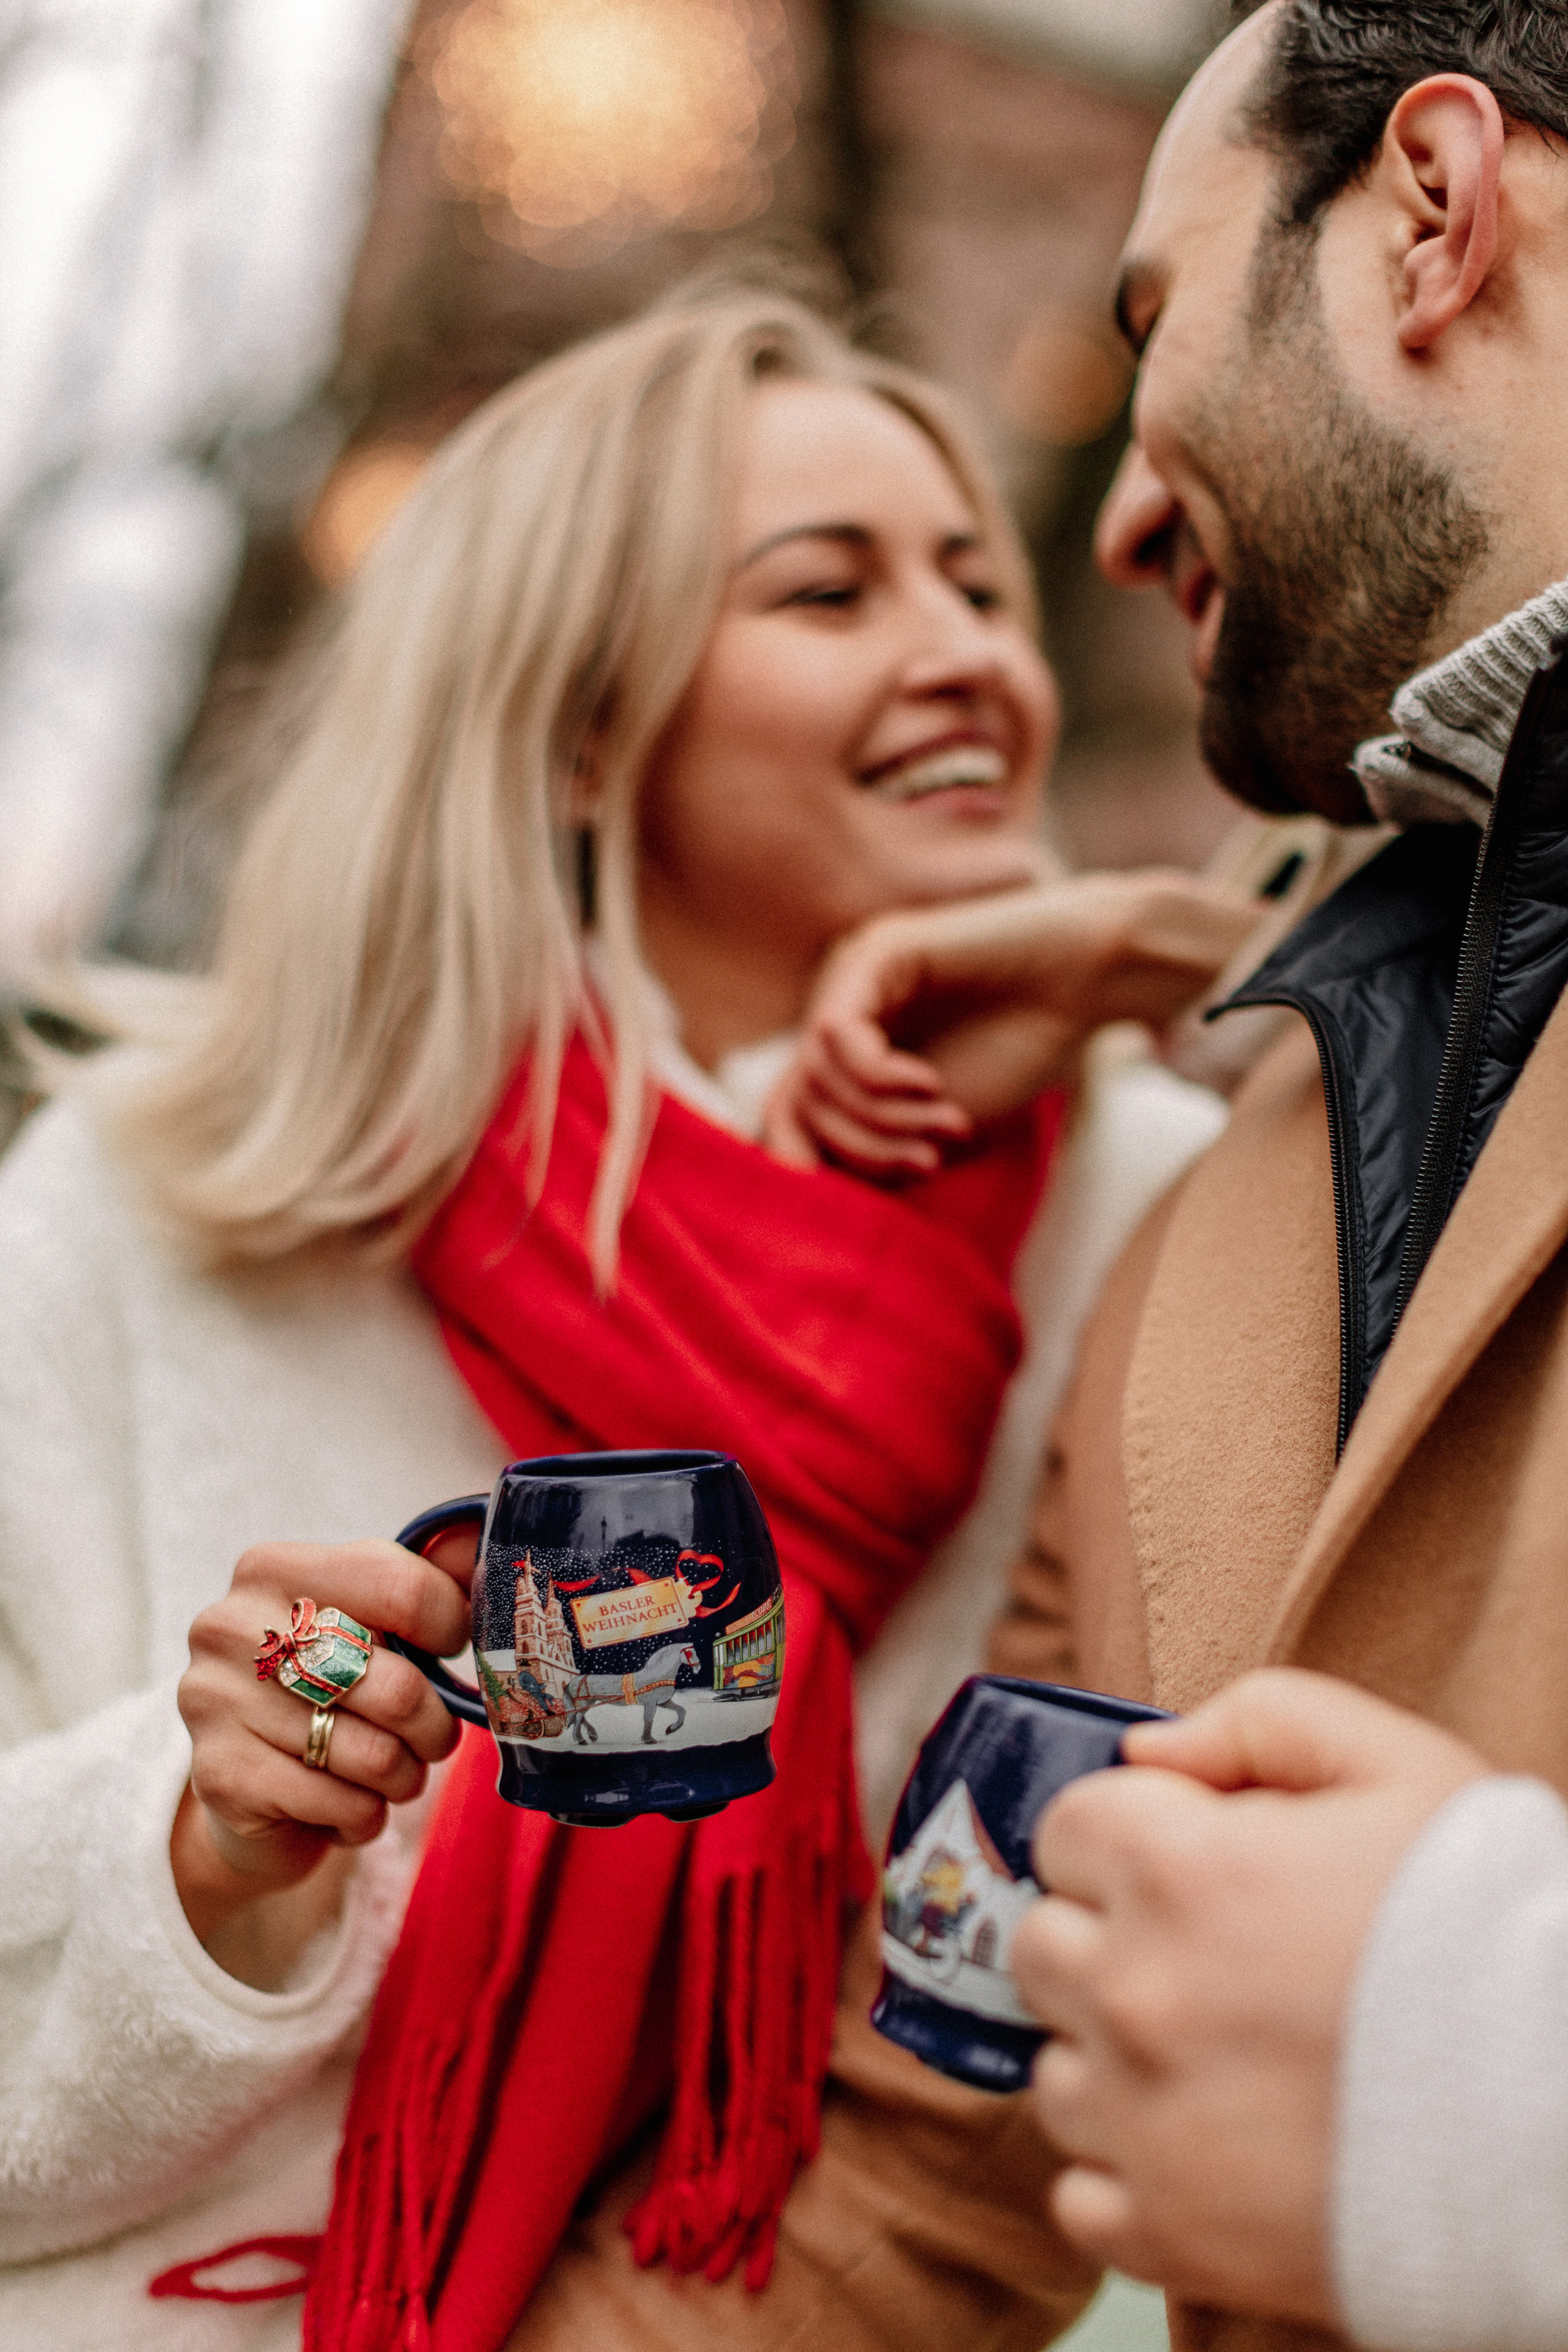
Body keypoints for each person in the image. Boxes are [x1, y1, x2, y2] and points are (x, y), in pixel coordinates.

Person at [0, 281, 1251, 2352]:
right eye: (829, 594)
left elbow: (1043, 2002)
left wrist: (1164, 954)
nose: (968, 653)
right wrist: (207, 1857)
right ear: (586, 720)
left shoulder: (1143, 1213)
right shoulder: (175, 1192)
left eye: (973, 582)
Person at [767, 3, 1568, 2346]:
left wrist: (1479, 2069)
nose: (1110, 514)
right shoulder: (1235, 1157)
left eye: (1155, 317)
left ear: (1431, 213)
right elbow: (923, 2170)